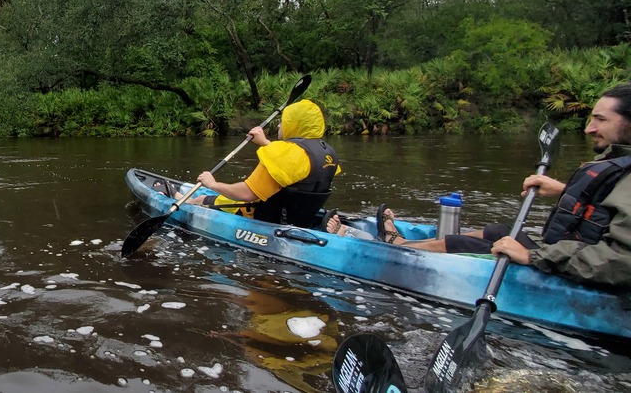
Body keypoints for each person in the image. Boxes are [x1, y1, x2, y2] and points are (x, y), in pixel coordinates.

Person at [378, 82, 631, 289]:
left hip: (584, 282)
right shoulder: (622, 162)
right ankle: (407, 246)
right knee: (498, 230)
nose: (589, 129)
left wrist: (532, 257)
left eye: (600, 120)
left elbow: (621, 261)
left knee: (482, 246)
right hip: (569, 259)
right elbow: (609, 209)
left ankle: (398, 250)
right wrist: (564, 191)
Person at [175, 99, 342, 228]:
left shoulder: (283, 155)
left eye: (283, 121)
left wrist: (213, 183)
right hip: (299, 217)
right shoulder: (327, 153)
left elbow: (247, 194)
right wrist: (265, 142)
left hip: (267, 219)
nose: (279, 124)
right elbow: (297, 166)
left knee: (205, 198)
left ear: (294, 125)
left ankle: (183, 200)